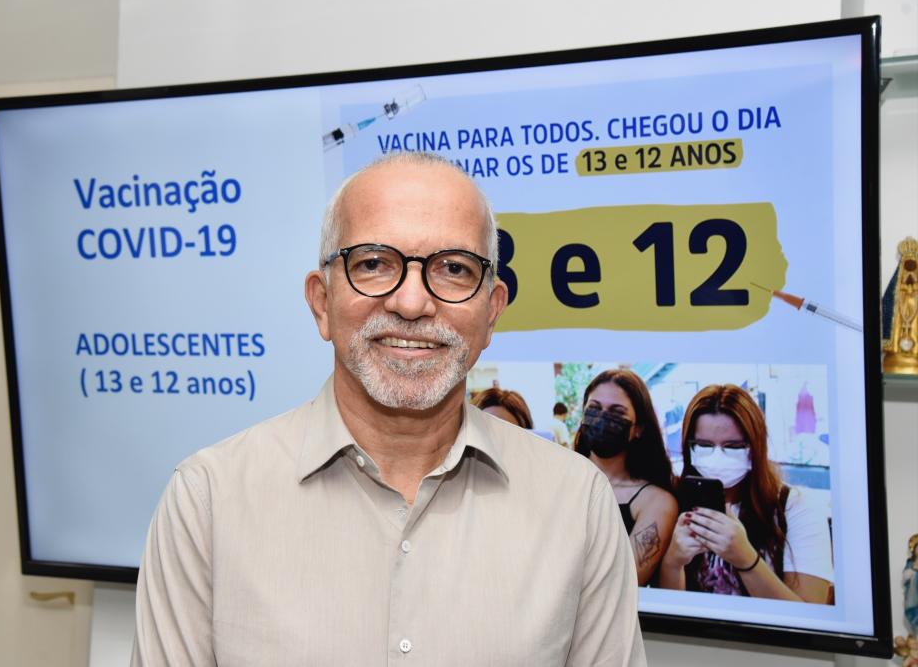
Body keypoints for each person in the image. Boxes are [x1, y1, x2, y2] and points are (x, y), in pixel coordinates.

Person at [131, 152, 646, 666]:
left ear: (491, 312)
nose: (412, 303)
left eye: (453, 268)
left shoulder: (576, 505)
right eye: (373, 264)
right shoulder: (208, 502)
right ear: (321, 302)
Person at [658, 384, 834, 603]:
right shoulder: (672, 503)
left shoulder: (797, 508)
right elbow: (669, 610)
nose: (717, 456)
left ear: (755, 448)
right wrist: (673, 562)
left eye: (733, 447)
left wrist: (746, 559)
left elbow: (809, 613)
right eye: (704, 445)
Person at [574, 369, 678, 586]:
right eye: (594, 408)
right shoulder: (557, 478)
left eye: (617, 412)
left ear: (638, 429)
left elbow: (623, 583)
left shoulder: (656, 501)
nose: (601, 418)